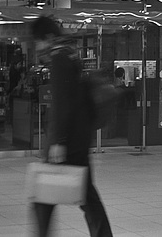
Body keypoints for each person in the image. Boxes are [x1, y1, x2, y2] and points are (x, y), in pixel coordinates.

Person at [30, 16, 113, 237]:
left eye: (37, 41)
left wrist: (59, 141)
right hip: (79, 137)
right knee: (86, 197)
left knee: (42, 197)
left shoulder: (59, 58)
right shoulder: (71, 53)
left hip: (68, 141)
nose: (37, 47)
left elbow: (62, 103)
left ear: (48, 37)